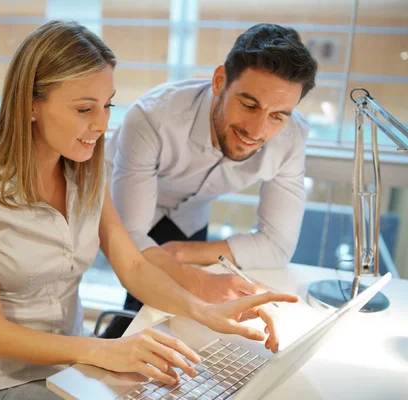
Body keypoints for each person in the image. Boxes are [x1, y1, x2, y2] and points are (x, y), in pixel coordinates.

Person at [0, 20, 300, 400]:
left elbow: (134, 266)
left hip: (72, 369)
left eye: (107, 106)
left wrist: (204, 311)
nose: (102, 125)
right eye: (85, 108)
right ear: (30, 104)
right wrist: (105, 351)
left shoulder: (85, 173)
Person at [102, 23, 318, 339]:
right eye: (249, 104)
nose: (257, 131)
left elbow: (277, 245)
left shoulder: (292, 136)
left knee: (176, 317)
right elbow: (130, 233)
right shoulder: (153, 117)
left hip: (189, 215)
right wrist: (196, 278)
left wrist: (178, 254)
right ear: (219, 81)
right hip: (119, 203)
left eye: (277, 115)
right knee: (148, 305)